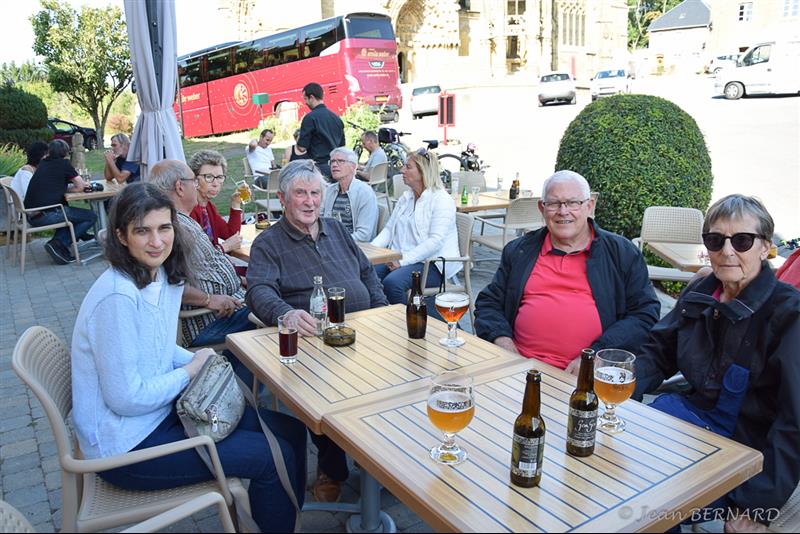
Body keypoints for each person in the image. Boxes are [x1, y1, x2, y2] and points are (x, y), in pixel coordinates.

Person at [70, 182, 306, 532]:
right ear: (121, 236)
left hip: (159, 418)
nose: (156, 241)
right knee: (273, 457)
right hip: (128, 449)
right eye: (142, 231)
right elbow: (125, 398)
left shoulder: (157, 277)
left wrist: (198, 359)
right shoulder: (117, 298)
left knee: (291, 430)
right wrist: (190, 371)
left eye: (164, 228)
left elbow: (156, 349)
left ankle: (278, 520)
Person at [633, 194, 800, 532]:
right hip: (687, 428)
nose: (727, 251)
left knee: (644, 500)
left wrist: (755, 506)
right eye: (715, 239)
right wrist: (621, 386)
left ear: (765, 246)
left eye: (742, 240)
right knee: (611, 465)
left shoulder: (789, 313)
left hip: (746, 451)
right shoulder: (702, 292)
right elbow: (658, 350)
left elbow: (794, 421)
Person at [246, 159, 388, 502]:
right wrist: (286, 313)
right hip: (315, 338)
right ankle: (332, 467)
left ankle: (382, 455)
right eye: (300, 194)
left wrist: (385, 312)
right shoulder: (268, 243)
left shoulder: (336, 229)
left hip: (364, 328)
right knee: (325, 394)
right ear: (283, 199)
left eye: (315, 193)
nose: (310, 201)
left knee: (395, 383)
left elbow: (367, 273)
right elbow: (258, 291)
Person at [474, 170, 659, 373]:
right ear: (541, 208)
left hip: (590, 375)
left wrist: (596, 356)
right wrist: (505, 346)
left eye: (573, 202)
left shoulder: (621, 253)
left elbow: (644, 314)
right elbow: (489, 303)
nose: (563, 211)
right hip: (521, 370)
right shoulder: (520, 251)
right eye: (553, 203)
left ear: (590, 206)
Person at [150, 160, 254, 348]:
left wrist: (238, 280)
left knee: (273, 299)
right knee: (276, 312)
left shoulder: (178, 220)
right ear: (180, 187)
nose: (197, 187)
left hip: (227, 307)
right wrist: (209, 299)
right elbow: (167, 283)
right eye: (195, 182)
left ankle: (241, 371)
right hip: (207, 321)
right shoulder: (169, 229)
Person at [370, 148, 460, 304]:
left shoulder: (441, 200)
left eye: (408, 167)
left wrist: (402, 261)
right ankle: (379, 319)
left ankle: (407, 324)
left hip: (432, 265)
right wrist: (369, 253)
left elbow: (435, 241)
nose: (402, 170)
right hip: (402, 258)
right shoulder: (406, 198)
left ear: (423, 172)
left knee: (392, 284)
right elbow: (389, 230)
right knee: (367, 275)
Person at [24, 139, 96, 265]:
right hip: (47, 214)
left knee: (72, 214)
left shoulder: (43, 164)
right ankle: (59, 244)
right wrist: (75, 188)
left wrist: (65, 188)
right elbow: (80, 186)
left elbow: (51, 184)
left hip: (31, 215)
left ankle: (59, 243)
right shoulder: (64, 164)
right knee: (91, 216)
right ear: (66, 152)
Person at [188, 149, 244, 254]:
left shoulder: (208, 207)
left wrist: (236, 203)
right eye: (208, 177)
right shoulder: (189, 211)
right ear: (195, 179)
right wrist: (225, 247)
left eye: (219, 177)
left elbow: (230, 235)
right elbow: (197, 257)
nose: (215, 183)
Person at [321, 147, 378, 242]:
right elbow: (320, 220)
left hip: (355, 246)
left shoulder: (365, 193)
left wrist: (336, 241)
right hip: (330, 242)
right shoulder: (329, 190)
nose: (334, 165)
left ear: (353, 166)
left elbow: (364, 235)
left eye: (340, 161)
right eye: (332, 161)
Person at [297, 82, 345, 180]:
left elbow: (301, 148)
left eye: (305, 99)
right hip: (337, 166)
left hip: (319, 168)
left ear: (311, 97)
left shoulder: (310, 118)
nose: (305, 102)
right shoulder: (336, 118)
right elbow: (342, 145)